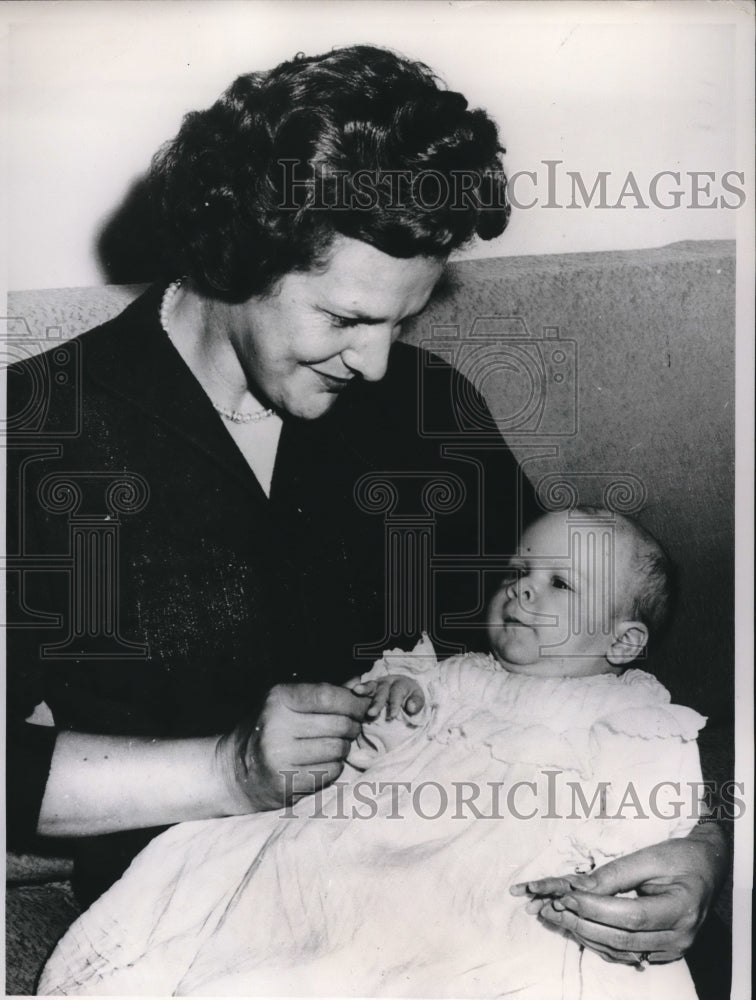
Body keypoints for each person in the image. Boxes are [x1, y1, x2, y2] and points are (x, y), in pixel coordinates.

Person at [6, 44, 725, 967]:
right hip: (212, 926)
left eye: (404, 320)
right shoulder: (36, 436)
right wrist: (225, 769)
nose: (379, 362)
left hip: (460, 905)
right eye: (345, 319)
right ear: (233, 260)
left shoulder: (424, 411)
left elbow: (603, 651)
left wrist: (707, 848)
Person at [39, 508, 706, 998]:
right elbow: (380, 713)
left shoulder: (633, 714)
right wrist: (392, 694)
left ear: (623, 643)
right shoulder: (456, 673)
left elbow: (658, 811)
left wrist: (617, 870)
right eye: (519, 572)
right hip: (370, 842)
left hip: (490, 881)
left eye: (562, 584)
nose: (524, 589)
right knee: (278, 911)